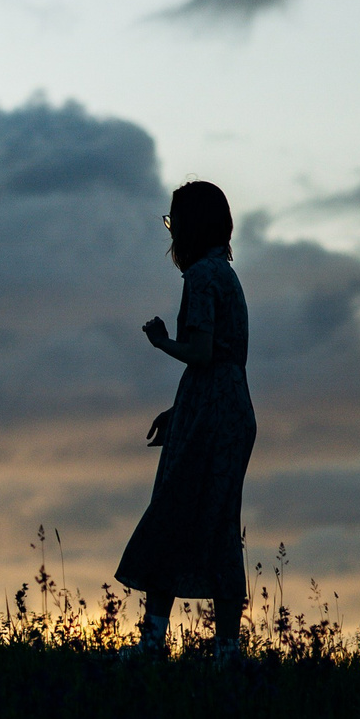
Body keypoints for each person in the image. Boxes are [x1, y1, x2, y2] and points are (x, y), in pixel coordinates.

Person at [114, 179, 255, 658]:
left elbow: (200, 351)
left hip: (211, 405)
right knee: (218, 522)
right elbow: (222, 358)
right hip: (230, 404)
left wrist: (159, 341)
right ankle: (227, 649)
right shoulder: (225, 274)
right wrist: (180, 409)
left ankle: (153, 640)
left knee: (171, 515)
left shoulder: (199, 277)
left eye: (174, 221)